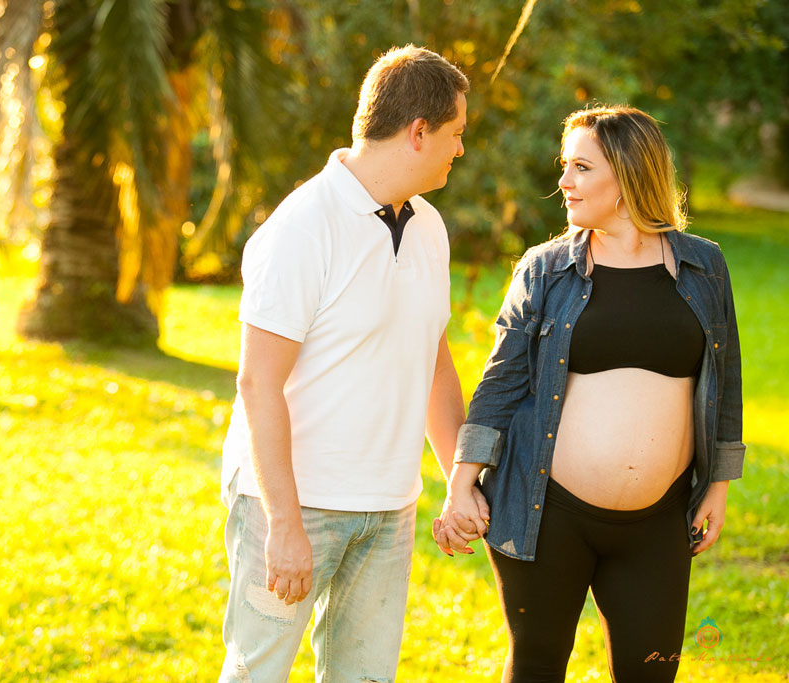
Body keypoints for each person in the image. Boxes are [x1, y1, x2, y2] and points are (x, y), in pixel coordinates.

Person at [437, 105, 745, 683]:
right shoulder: (545, 269)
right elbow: (501, 382)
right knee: (535, 667)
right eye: (565, 165)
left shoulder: (705, 265)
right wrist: (461, 483)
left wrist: (719, 484)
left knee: (652, 671)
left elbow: (724, 381)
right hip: (547, 509)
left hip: (659, 519)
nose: (563, 183)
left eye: (581, 167)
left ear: (627, 176)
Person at [218, 45, 484, 682]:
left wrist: (456, 479)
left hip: (388, 508)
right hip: (292, 504)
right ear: (418, 132)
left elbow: (433, 360)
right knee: (257, 673)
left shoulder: (429, 227)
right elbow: (258, 382)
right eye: (456, 134)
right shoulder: (302, 228)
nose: (461, 150)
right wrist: (284, 525)